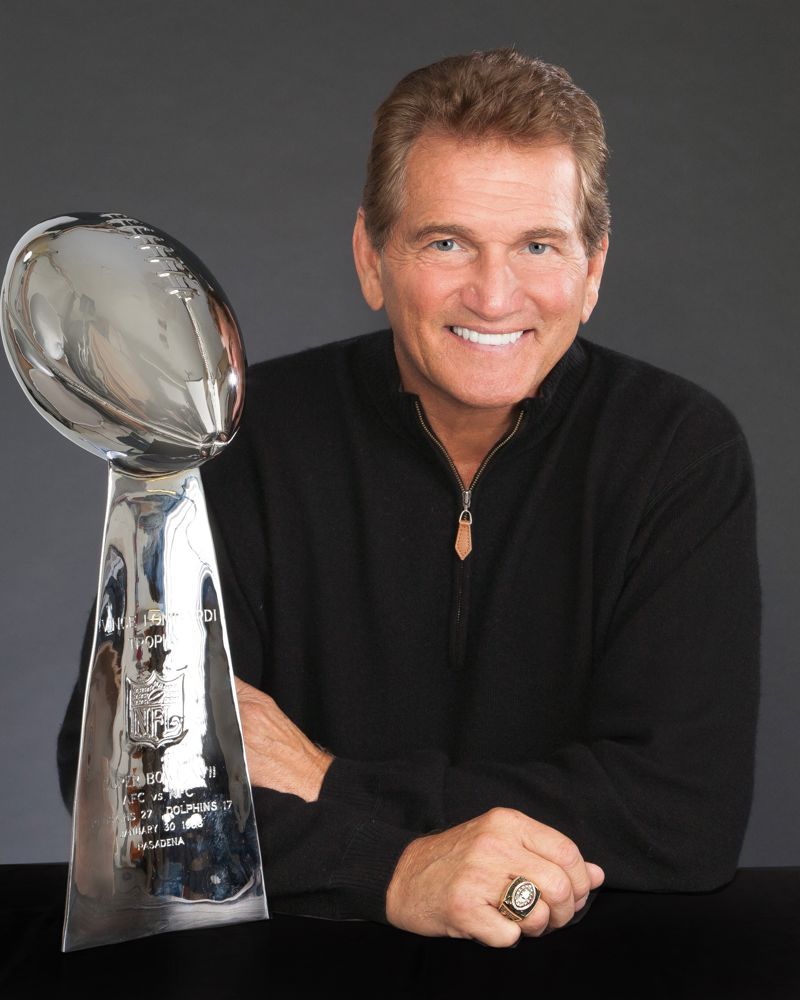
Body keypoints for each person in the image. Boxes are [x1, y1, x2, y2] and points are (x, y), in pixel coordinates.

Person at [60, 48, 761, 949]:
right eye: (446, 243)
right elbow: (124, 785)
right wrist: (391, 874)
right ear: (371, 258)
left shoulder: (678, 451)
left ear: (592, 270)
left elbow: (681, 816)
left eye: (538, 246)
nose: (494, 295)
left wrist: (329, 783)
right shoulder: (234, 437)